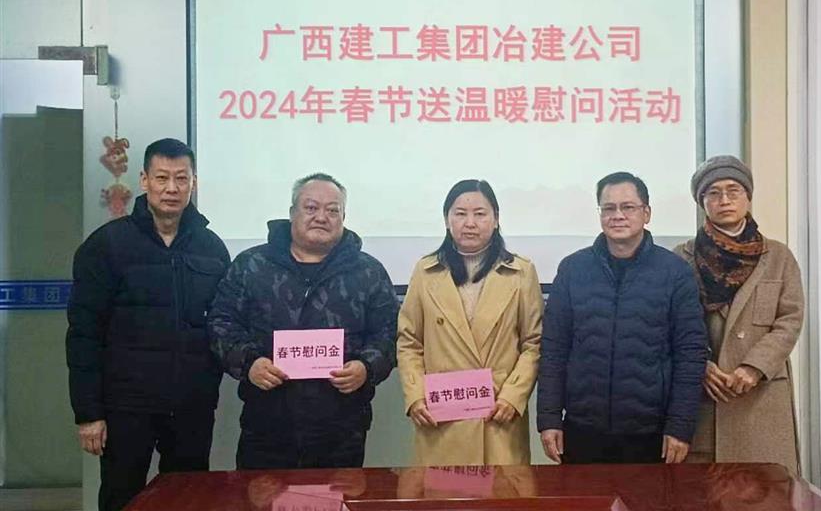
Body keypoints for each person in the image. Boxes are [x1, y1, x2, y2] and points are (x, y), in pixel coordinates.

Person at [66, 138, 230, 511]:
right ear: (144, 180)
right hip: (126, 406)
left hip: (191, 405)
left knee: (190, 499)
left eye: (181, 178)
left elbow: (224, 324)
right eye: (161, 177)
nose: (172, 188)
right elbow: (84, 334)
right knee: (122, 497)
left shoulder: (211, 248)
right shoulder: (107, 245)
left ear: (194, 183)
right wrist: (88, 413)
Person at [208, 173, 398, 469]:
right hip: (266, 425)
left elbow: (390, 332)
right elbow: (222, 322)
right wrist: (249, 363)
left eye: (332, 210)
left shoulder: (368, 272)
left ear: (344, 217)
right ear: (292, 213)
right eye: (311, 208)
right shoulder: (252, 265)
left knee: (337, 495)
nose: (321, 217)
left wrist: (366, 367)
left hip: (341, 428)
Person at [537, 171, 706, 465]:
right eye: (608, 208)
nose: (617, 215)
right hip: (582, 429)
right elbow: (554, 349)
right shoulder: (573, 269)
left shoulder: (675, 272)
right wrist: (549, 417)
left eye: (628, 207)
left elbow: (690, 354)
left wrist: (680, 425)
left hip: (652, 433)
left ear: (646, 213)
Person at [397, 179, 543, 466]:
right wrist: (414, 396)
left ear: (496, 219)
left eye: (480, 213)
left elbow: (533, 344)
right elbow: (409, 342)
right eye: (460, 214)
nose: (470, 223)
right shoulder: (426, 271)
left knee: (502, 491)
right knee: (444, 491)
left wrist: (513, 396)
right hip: (441, 416)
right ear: (447, 220)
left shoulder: (521, 272)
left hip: (498, 415)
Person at [673, 155, 803, 473]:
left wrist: (755, 366)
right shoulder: (681, 258)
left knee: (768, 491)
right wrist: (699, 366)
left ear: (748, 196)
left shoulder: (779, 256)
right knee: (704, 491)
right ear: (702, 201)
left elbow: (790, 319)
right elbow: (668, 325)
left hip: (761, 400)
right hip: (706, 400)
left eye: (734, 190)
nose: (725, 200)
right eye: (713, 193)